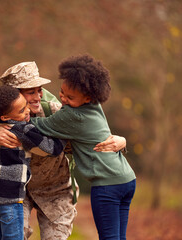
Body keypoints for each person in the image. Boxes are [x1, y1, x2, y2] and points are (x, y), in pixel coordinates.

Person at [0, 61, 127, 240]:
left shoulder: (56, 113)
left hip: (56, 191)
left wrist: (122, 142)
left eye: (39, 90)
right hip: (15, 193)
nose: (38, 96)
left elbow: (95, 134)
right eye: (30, 91)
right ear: (13, 95)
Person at [30, 54, 136, 240]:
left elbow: (40, 126)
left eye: (70, 97)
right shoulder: (95, 105)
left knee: (109, 237)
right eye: (61, 92)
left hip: (107, 185)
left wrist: (9, 120)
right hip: (127, 179)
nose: (63, 99)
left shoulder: (72, 116)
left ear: (87, 97)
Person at [0, 85, 66, 240]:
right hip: (10, 199)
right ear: (5, 117)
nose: (27, 111)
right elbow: (51, 149)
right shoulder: (22, 128)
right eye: (22, 110)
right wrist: (64, 133)